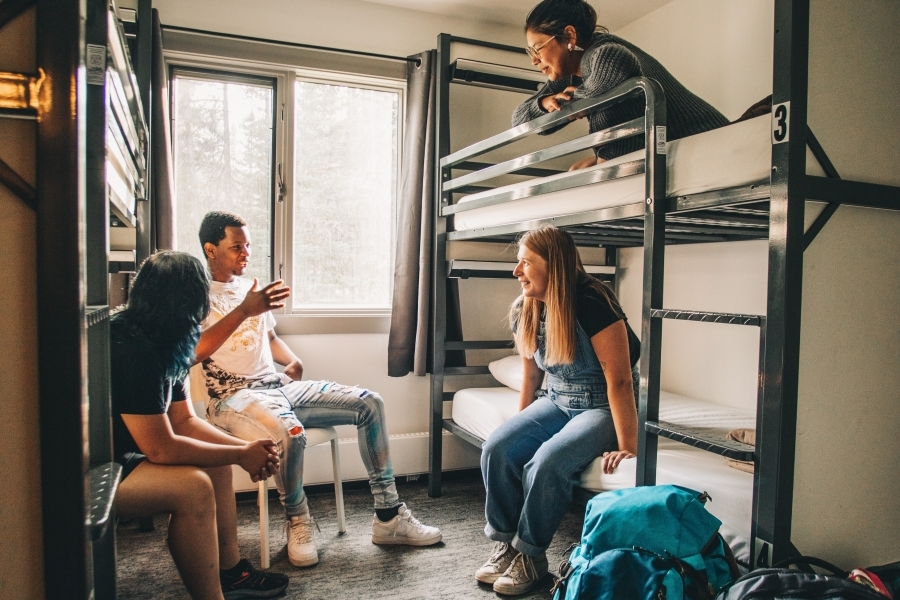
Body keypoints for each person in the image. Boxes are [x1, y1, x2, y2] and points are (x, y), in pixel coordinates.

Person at [195, 211, 442, 569]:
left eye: (248, 245)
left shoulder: (250, 289)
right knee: (290, 433)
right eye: (236, 246)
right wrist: (245, 310)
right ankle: (298, 520)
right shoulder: (198, 295)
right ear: (211, 249)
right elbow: (197, 350)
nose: (246, 252)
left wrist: (291, 361)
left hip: (276, 387)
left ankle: (389, 517)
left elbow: (269, 338)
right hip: (232, 398)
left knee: (369, 403)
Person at [111, 251, 290, 600]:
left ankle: (231, 572)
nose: (202, 315)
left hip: (128, 451)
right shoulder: (131, 349)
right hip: (96, 467)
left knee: (218, 465)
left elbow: (184, 421)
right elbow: (161, 448)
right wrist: (242, 454)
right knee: (194, 487)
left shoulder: (167, 342)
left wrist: (236, 452)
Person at [475, 226, 641, 596]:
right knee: (496, 449)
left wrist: (629, 445)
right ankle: (506, 543)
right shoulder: (525, 307)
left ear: (555, 266)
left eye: (526, 263)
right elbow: (532, 374)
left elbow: (621, 382)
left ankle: (531, 557)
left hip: (601, 404)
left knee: (547, 462)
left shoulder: (593, 302)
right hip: (555, 398)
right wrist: (517, 424)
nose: (517, 271)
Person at [513, 0, 729, 170]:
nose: (534, 59)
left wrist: (574, 105)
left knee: (584, 173)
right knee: (578, 170)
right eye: (530, 52)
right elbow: (519, 120)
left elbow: (616, 65)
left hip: (707, 140)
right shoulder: (567, 74)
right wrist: (544, 103)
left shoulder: (601, 51)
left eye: (538, 48)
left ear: (569, 36)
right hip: (668, 146)